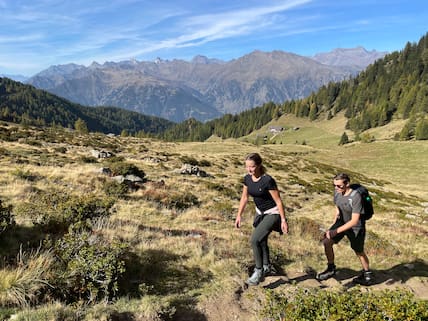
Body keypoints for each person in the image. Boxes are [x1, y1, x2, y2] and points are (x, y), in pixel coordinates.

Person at [235, 152, 289, 286]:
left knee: (254, 240)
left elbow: (278, 201)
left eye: (252, 167)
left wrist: (283, 220)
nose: (249, 169)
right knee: (262, 239)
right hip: (260, 213)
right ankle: (266, 266)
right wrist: (239, 215)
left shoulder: (267, 180)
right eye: (247, 166)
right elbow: (245, 198)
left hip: (273, 213)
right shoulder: (247, 178)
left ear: (259, 166)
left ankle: (258, 271)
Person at [316, 173, 374, 285]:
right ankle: (331, 268)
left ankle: (367, 275)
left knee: (359, 251)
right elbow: (337, 208)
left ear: (347, 184)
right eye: (334, 185)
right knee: (327, 242)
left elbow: (354, 220)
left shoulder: (355, 196)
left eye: (339, 186)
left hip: (356, 227)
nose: (336, 188)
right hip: (341, 222)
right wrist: (333, 225)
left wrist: (336, 231)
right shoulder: (337, 193)